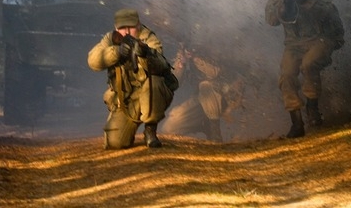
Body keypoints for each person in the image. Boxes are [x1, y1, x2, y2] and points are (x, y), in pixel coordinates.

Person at [265, 0, 344, 138]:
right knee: (286, 74)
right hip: (293, 43)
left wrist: (307, 0)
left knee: (309, 64)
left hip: (319, 38)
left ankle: (312, 108)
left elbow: (327, 11)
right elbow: (270, 19)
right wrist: (282, 8)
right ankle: (296, 122)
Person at [87, 8, 177, 149]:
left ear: (138, 25)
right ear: (116, 28)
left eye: (131, 27)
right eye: (123, 28)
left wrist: (145, 53)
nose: (127, 32)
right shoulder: (111, 39)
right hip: (126, 100)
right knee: (115, 143)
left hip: (151, 95)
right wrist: (117, 52)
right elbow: (93, 61)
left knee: (154, 81)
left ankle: (150, 130)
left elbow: (162, 65)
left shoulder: (148, 37)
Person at [159, 45, 244, 142]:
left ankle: (215, 133)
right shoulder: (187, 48)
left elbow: (214, 72)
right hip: (202, 101)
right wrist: (181, 62)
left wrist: (195, 58)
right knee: (170, 127)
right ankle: (204, 125)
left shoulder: (214, 42)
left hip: (226, 98)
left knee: (205, 86)